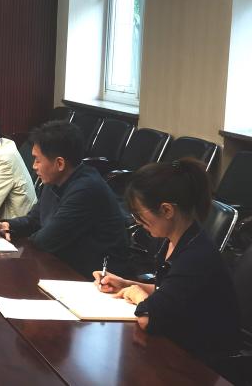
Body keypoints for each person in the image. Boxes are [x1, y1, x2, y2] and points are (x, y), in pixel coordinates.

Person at [93, 158, 240, 368]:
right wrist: (126, 284)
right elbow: (168, 290)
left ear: (167, 211)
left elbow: (149, 319)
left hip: (204, 361)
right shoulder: (176, 240)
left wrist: (139, 295)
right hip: (181, 337)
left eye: (138, 214)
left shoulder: (196, 256)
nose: (137, 221)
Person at [0, 120, 130, 276]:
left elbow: (45, 241)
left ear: (59, 163)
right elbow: (34, 219)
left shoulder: (86, 190)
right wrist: (7, 225)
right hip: (65, 265)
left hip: (95, 277)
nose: (34, 166)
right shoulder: (55, 179)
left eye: (38, 160)